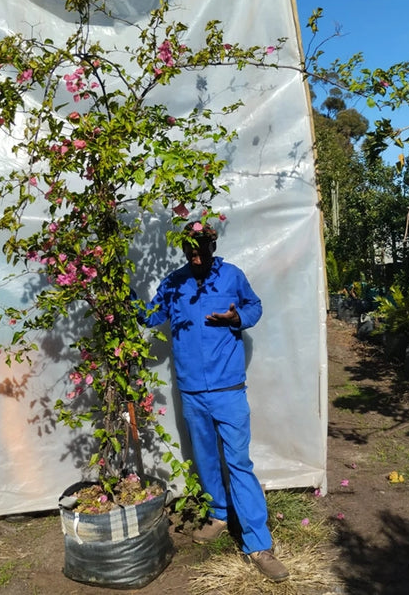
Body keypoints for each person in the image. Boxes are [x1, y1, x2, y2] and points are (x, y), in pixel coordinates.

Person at [140, 220, 289, 582]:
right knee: (206, 460)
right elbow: (150, 315)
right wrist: (122, 295)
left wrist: (237, 317)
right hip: (192, 393)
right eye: (188, 249)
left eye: (201, 248)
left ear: (213, 244)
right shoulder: (174, 283)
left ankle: (258, 544)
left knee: (239, 463)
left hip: (228, 391)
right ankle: (219, 515)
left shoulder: (232, 276)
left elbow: (254, 306)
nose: (195, 256)